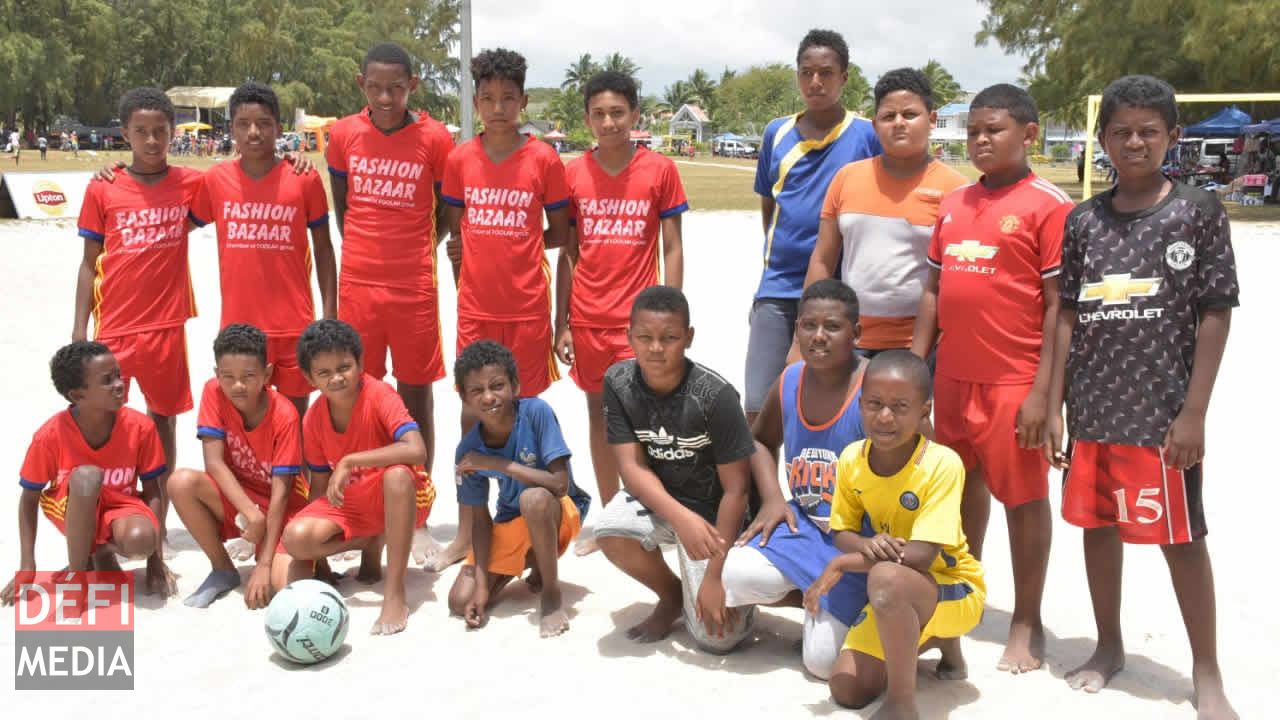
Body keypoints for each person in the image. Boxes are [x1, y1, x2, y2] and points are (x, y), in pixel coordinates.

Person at [1045, 75, 1238, 718]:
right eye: (1121, 131)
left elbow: (1215, 312)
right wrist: (1053, 404)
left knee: (1182, 539)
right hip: (1094, 411)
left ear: (1172, 137)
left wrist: (1194, 412)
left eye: (1148, 131)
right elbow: (1067, 315)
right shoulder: (1083, 221)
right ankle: (1108, 645)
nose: (1134, 142)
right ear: (1102, 140)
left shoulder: (1196, 211)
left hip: (1163, 415)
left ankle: (1205, 669)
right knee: (1098, 529)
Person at [910, 83, 1072, 674]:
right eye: (974, 130)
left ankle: (1026, 621)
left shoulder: (1048, 204)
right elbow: (931, 290)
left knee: (1023, 500)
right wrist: (914, 373)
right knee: (954, 496)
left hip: (1014, 382)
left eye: (993, 129)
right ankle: (960, 598)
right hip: (952, 377)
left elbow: (1060, 307)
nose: (980, 140)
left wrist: (1044, 396)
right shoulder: (954, 203)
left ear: (1028, 134)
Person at [325, 42, 455, 569]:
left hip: (413, 286)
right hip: (359, 282)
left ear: (412, 87)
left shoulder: (435, 138)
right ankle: (365, 505)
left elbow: (448, 210)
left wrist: (417, 245)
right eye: (376, 87)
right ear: (361, 84)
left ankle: (418, 512)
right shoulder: (343, 135)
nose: (385, 97)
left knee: (416, 390)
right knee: (360, 392)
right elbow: (342, 208)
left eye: (395, 88)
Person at [806, 350, 983, 717]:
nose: (885, 417)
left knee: (886, 581)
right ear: (860, 405)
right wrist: (864, 544)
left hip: (953, 586)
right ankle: (932, 638)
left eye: (900, 406)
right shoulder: (853, 458)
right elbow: (842, 530)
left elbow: (921, 556)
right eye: (875, 404)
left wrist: (844, 563)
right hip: (898, 581)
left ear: (924, 410)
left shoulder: (941, 463)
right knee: (848, 687)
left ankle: (903, 704)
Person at [555, 70, 687, 555]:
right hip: (589, 317)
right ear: (587, 118)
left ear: (634, 114)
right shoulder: (572, 173)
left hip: (642, 324)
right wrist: (562, 323)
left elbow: (671, 245)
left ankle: (653, 511)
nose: (608, 122)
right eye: (598, 113)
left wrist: (672, 314)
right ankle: (611, 517)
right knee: (599, 416)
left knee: (652, 418)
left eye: (617, 112)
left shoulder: (660, 170)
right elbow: (567, 254)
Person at [720, 278, 870, 679]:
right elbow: (760, 442)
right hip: (809, 528)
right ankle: (816, 601)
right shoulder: (790, 379)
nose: (818, 337)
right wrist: (772, 498)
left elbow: (927, 463)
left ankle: (866, 613)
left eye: (833, 327)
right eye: (808, 325)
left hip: (861, 545)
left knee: (821, 665)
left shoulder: (875, 391)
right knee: (736, 573)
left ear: (857, 333)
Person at [595, 286, 757, 651]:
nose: (655, 348)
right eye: (645, 337)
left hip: (716, 513)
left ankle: (734, 590)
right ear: (629, 337)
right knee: (610, 530)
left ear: (688, 337)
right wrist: (680, 519)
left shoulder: (716, 396)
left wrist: (715, 575)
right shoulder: (618, 383)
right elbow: (631, 467)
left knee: (719, 640)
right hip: (665, 501)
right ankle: (672, 596)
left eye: (668, 338)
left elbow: (738, 491)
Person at [74, 87, 204, 542]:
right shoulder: (103, 187)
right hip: (114, 327)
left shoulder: (190, 184)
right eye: (141, 132)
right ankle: (106, 516)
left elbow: (225, 194)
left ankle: (159, 523)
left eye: (160, 132)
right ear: (124, 133)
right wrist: (78, 332)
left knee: (161, 421)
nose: (152, 141)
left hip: (166, 326)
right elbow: (90, 263)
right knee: (106, 422)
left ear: (172, 133)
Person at [746, 28, 881, 424]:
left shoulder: (867, 135)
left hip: (839, 289)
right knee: (758, 404)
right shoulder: (778, 132)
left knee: (835, 407)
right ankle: (760, 488)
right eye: (807, 73)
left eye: (826, 72)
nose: (815, 82)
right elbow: (769, 205)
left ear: (845, 76)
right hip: (779, 284)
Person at [271, 319, 436, 635]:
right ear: (309, 378)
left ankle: (395, 592)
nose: (336, 378)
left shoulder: (380, 395)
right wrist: (318, 560)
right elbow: (320, 488)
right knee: (295, 538)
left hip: (402, 497)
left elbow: (417, 450)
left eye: (344, 367)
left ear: (360, 363)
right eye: (324, 373)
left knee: (398, 476)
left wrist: (350, 461)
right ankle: (370, 542)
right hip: (353, 505)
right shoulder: (315, 417)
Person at [189, 81, 336, 416]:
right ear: (232, 129)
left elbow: (325, 251)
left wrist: (329, 316)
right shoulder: (215, 181)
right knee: (244, 422)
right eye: (243, 124)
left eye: (264, 124)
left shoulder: (304, 179)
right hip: (240, 327)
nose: (254, 132)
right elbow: (174, 219)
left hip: (294, 326)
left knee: (294, 419)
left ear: (279, 128)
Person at [804, 68, 968, 357]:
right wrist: (803, 336)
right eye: (888, 116)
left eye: (910, 114)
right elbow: (822, 259)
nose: (899, 123)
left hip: (920, 345)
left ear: (931, 120)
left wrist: (919, 356)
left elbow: (955, 281)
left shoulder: (956, 191)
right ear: (875, 124)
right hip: (849, 338)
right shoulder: (846, 178)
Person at [1, 342, 174, 606]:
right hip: (71, 509)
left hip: (121, 507)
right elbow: (28, 500)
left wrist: (155, 560)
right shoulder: (50, 436)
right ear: (77, 395)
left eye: (118, 375)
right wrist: (28, 564)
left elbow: (153, 491)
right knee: (86, 477)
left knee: (141, 540)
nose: (119, 384)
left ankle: (98, 555)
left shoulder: (141, 427)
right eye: (107, 381)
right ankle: (78, 576)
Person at [442, 48, 568, 401]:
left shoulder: (544, 159)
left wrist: (519, 242)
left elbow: (560, 232)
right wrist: (465, 292)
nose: (498, 109)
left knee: (524, 403)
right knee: (474, 403)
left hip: (527, 308)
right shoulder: (460, 159)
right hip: (475, 310)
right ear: (475, 101)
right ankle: (474, 461)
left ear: (523, 100)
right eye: (488, 99)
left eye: (508, 98)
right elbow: (458, 240)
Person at [446, 341, 592, 637]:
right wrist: (484, 585)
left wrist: (497, 464)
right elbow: (480, 520)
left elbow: (560, 485)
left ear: (514, 385)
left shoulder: (536, 412)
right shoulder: (467, 451)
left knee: (534, 499)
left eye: (497, 385)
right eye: (476, 390)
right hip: (511, 519)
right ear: (463, 396)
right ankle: (534, 559)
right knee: (460, 601)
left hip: (558, 511)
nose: (488, 397)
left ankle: (551, 595)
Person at [167, 324, 310, 609]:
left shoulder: (285, 415)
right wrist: (250, 513)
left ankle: (270, 556)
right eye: (228, 377)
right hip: (241, 503)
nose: (238, 386)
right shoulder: (213, 392)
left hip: (284, 512)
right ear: (217, 374)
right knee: (180, 482)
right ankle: (222, 568)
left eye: (248, 376)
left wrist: (265, 564)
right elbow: (214, 462)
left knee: (285, 588)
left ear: (267, 374)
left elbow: (282, 495)